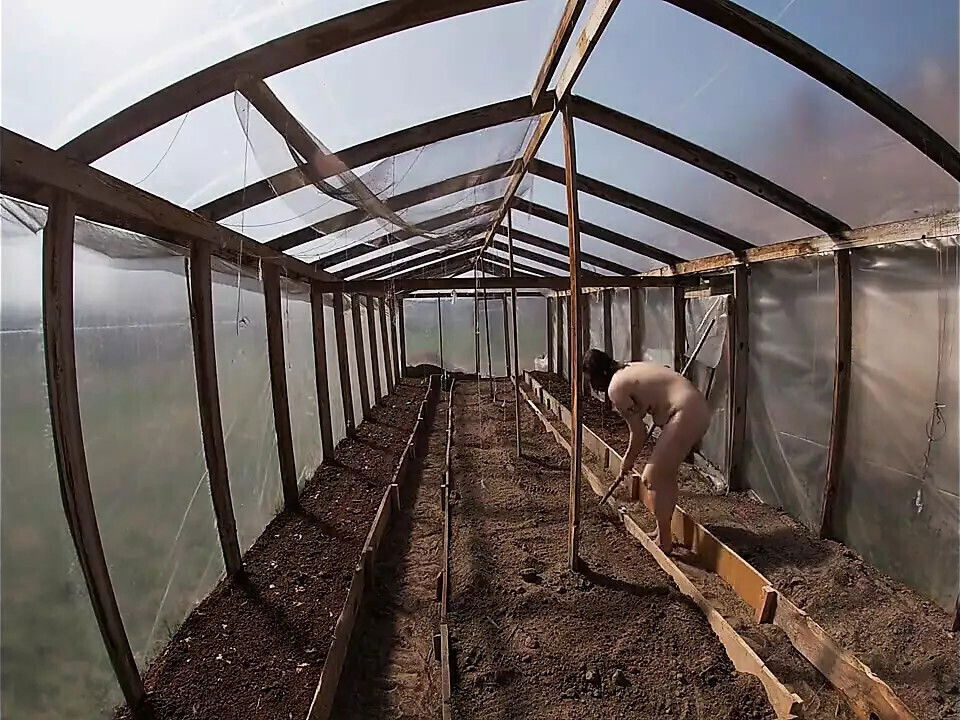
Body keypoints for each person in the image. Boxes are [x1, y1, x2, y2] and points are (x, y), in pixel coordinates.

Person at [582, 349, 711, 554]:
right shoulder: (629, 368)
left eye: (591, 379)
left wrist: (627, 460)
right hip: (695, 409)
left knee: (652, 477)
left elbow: (639, 432)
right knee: (664, 476)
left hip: (686, 412)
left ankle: (665, 543)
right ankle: (662, 533)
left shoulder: (616, 387)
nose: (592, 385)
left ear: (599, 374)